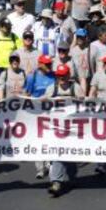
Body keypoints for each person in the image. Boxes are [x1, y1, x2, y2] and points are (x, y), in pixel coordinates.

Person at [43, 64, 84, 197]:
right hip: (56, 127)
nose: (62, 78)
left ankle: (72, 177)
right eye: (59, 76)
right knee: (58, 152)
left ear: (68, 75)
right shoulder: (51, 89)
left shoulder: (76, 88)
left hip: (73, 127)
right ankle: (56, 182)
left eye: (64, 75)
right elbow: (42, 105)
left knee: (70, 153)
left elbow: (84, 105)